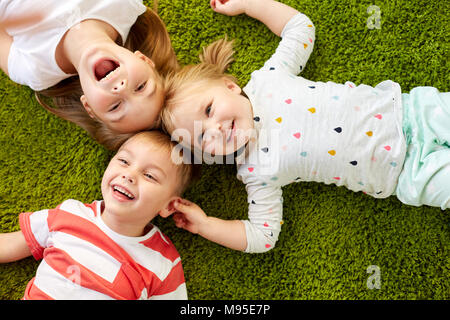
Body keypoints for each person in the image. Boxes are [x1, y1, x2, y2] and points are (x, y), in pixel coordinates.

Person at [160, 0, 449, 253]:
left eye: (209, 109)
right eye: (201, 136)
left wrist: (248, 4)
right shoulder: (255, 171)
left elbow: (300, 28)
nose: (215, 129)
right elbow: (262, 236)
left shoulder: (268, 79)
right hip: (405, 172)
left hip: (412, 111)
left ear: (230, 86)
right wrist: (207, 225)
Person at [0, 131, 195, 299]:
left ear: (169, 206)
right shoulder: (69, 213)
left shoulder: (163, 263)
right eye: (124, 161)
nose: (129, 175)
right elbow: (11, 244)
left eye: (149, 175)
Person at [0, 0, 178, 150]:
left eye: (115, 107)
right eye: (141, 87)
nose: (122, 89)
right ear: (144, 60)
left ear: (89, 107)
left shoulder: (34, 70)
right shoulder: (125, 6)